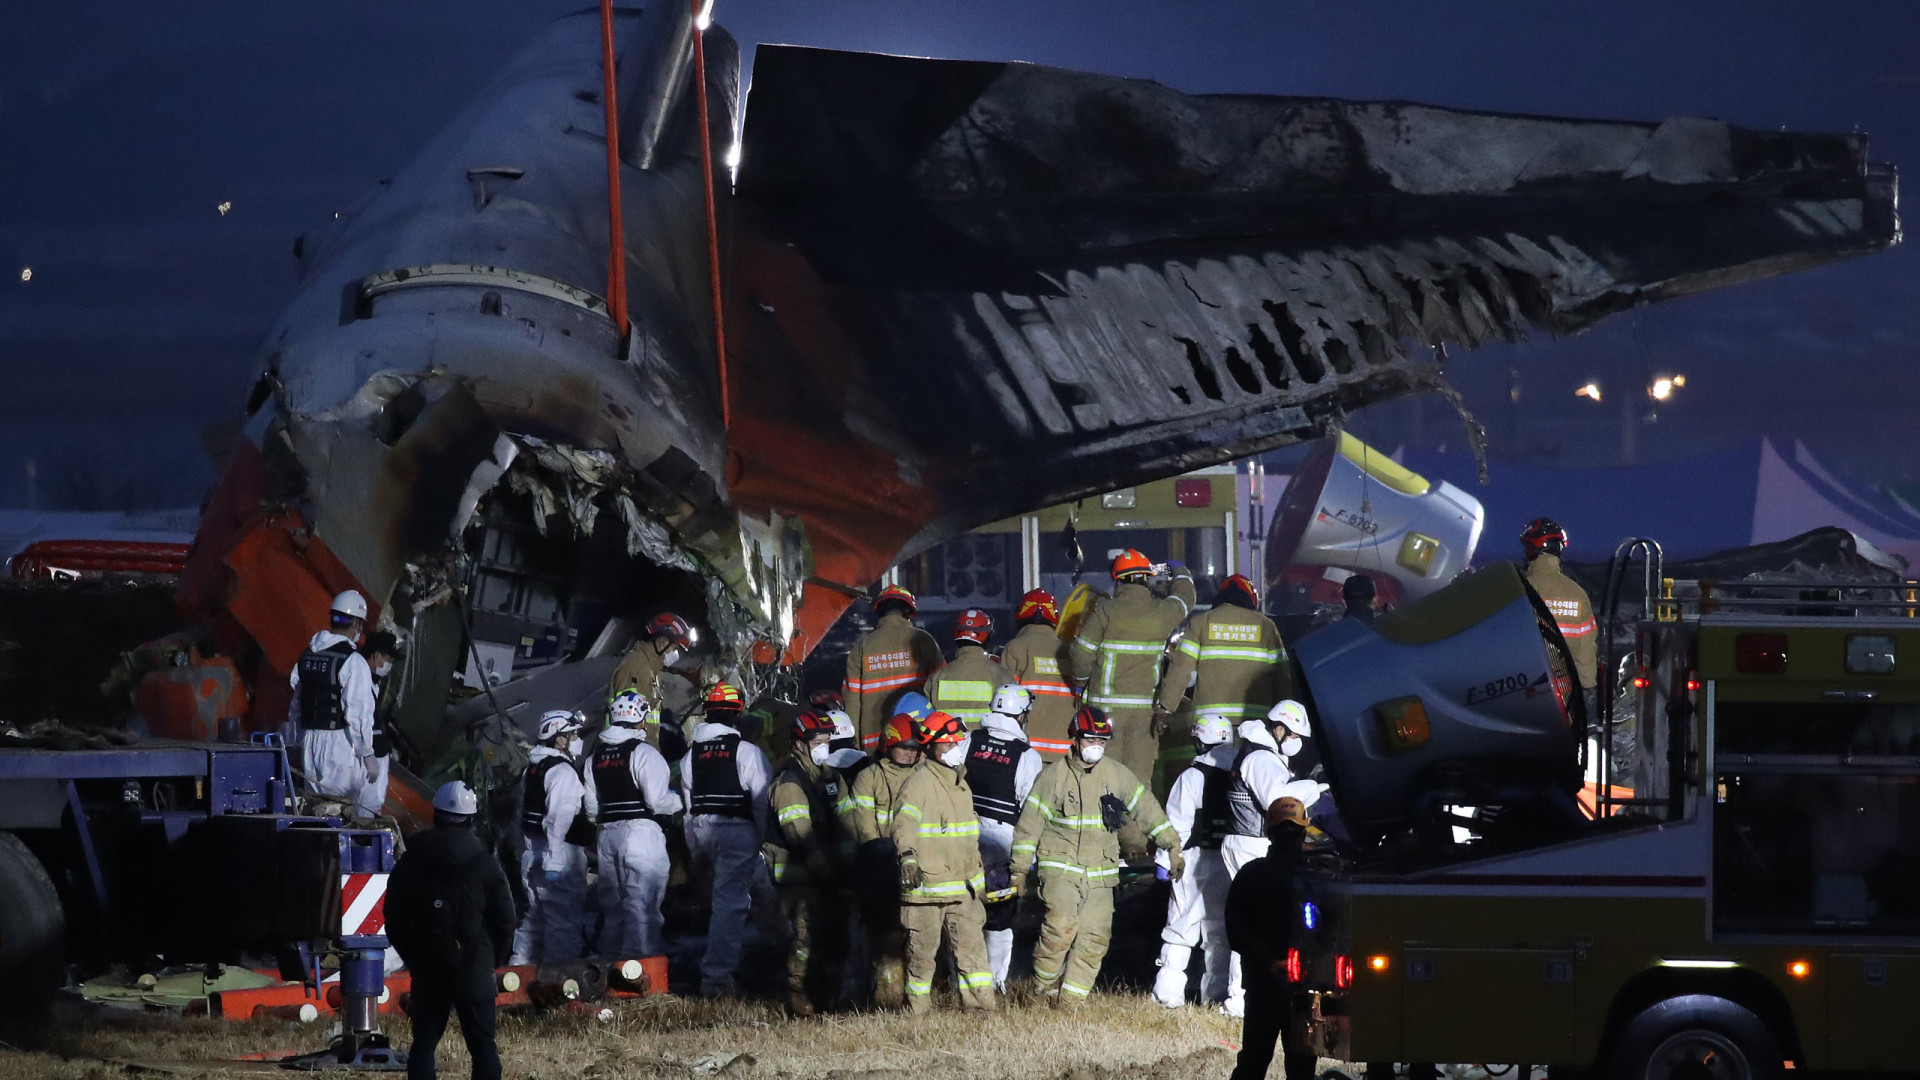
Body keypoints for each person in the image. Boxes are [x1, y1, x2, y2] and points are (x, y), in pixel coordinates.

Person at [1011, 706, 1183, 1005]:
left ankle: (1070, 1004)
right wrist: (1020, 870)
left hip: (1099, 874)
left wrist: (1172, 846)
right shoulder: (1052, 777)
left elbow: (1147, 810)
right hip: (1060, 868)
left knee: (1095, 939)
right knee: (1060, 927)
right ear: (1075, 739)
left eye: (1102, 742)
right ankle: (1041, 990)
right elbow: (1029, 826)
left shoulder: (1116, 775)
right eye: (1090, 740)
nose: (1096, 747)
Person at [385, 782, 516, 1080]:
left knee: (424, 1046)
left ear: (435, 814)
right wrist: (491, 960)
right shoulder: (484, 863)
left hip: (428, 966)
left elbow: (393, 917)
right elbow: (506, 920)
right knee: (483, 1048)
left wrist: (414, 956)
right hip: (475, 965)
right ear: (471, 819)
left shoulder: (412, 860)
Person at [890, 712, 996, 1013]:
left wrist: (979, 882)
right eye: (948, 745)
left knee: (973, 957)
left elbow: (967, 838)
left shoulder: (961, 784)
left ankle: (981, 1013)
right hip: (927, 889)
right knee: (921, 958)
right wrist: (908, 857)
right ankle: (917, 1016)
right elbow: (903, 825)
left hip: (963, 890)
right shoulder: (919, 783)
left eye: (957, 743)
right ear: (932, 747)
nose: (955, 749)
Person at [677, 681, 772, 997]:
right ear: (737, 714)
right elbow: (761, 802)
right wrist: (762, 838)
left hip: (705, 833)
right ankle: (716, 980)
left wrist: (694, 850)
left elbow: (689, 810)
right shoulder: (748, 753)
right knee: (730, 906)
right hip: (738, 832)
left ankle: (781, 945)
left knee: (761, 886)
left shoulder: (691, 757)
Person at [1069, 550, 1196, 782]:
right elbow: (1186, 599)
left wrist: (1080, 682)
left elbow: (1081, 653)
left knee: (1103, 779)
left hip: (1104, 713)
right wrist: (1178, 571)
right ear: (1146, 579)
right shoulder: (1163, 612)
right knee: (1137, 785)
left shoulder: (1106, 611)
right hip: (1144, 716)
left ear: (1117, 579)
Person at [766, 708, 854, 1015]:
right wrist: (827, 873)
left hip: (830, 870)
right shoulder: (790, 782)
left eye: (827, 740)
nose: (823, 747)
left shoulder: (832, 778)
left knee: (837, 933)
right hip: (799, 873)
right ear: (799, 743)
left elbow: (848, 824)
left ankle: (829, 993)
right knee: (806, 935)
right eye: (817, 741)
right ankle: (798, 995)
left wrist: (851, 863)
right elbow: (799, 836)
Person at [583, 690, 680, 962]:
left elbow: (591, 808)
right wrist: (680, 800)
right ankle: (639, 971)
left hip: (607, 838)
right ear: (639, 719)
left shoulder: (595, 759)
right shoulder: (645, 753)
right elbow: (657, 801)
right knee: (643, 907)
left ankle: (610, 967)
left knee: (614, 910)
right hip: (641, 836)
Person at [1225, 797, 1317, 1080]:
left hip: (1262, 985)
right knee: (1301, 1066)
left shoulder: (1251, 874)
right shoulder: (1319, 874)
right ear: (1304, 831)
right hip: (1305, 986)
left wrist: (1271, 962)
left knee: (1253, 1060)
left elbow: (1236, 933)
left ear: (1268, 832)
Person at [1152, 713, 1237, 1010]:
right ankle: (1215, 996)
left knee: (1181, 928)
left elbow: (1176, 825)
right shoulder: (1243, 771)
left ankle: (1167, 995)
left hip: (1194, 861)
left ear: (1201, 741)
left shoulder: (1191, 776)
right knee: (1220, 932)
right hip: (1230, 860)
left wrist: (1164, 862)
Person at [962, 684, 1044, 990]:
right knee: (999, 915)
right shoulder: (1026, 755)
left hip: (963, 834)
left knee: (962, 912)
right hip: (1003, 841)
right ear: (1020, 714)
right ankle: (994, 983)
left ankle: (963, 979)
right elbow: (1031, 808)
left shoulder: (969, 740)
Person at [845, 712, 923, 1008]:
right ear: (889, 744)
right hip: (881, 870)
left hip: (917, 869)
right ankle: (886, 1004)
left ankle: (923, 1001)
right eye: (903, 746)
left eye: (915, 748)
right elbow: (863, 827)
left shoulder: (924, 775)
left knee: (921, 941)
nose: (909, 753)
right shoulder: (870, 777)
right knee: (886, 941)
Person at [1156, 574, 1291, 731]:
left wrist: (1166, 707)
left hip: (1210, 726)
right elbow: (1282, 675)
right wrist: (1284, 717)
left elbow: (1180, 668)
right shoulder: (1265, 626)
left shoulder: (1201, 623)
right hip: (1255, 725)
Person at [511, 711, 589, 964]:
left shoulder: (533, 768)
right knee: (562, 923)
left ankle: (518, 973)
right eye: (573, 734)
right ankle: (559, 981)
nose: (578, 739)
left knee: (533, 920)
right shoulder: (563, 772)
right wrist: (554, 862)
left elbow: (522, 811)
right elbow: (559, 818)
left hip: (532, 853)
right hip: (558, 857)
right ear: (559, 740)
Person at [288, 590, 379, 803]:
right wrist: (368, 753)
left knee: (315, 805)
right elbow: (357, 713)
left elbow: (296, 705)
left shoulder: (307, 655)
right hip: (338, 745)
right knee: (340, 808)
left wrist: (297, 739)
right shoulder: (353, 661)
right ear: (357, 623)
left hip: (309, 742)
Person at [844, 585, 946, 750]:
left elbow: (852, 701)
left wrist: (853, 743)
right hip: (916, 737)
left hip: (876, 741)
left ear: (880, 611)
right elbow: (940, 687)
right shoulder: (923, 639)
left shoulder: (862, 646)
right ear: (908, 611)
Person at [1521, 518, 1598, 692]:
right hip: (1568, 696)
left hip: (1528, 691)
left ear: (1534, 548)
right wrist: (1587, 688)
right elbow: (1586, 649)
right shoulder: (1577, 593)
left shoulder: (1522, 589)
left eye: (1527, 546)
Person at [999, 589, 1077, 758]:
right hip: (1065, 751)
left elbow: (1003, 700)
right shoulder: (1069, 651)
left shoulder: (1016, 648)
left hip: (1027, 750)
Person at [925, 607, 1015, 726]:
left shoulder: (936, 678)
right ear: (988, 637)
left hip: (949, 743)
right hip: (986, 744)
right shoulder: (1002, 676)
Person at [356, 630, 401, 818]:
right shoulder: (360, 681)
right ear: (376, 656)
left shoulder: (372, 683)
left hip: (376, 756)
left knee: (371, 808)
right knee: (364, 811)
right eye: (388, 659)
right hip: (368, 760)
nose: (389, 664)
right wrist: (369, 756)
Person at [609, 612, 696, 708]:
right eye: (675, 648)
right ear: (662, 643)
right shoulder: (635, 667)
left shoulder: (649, 669)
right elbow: (627, 715)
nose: (676, 654)